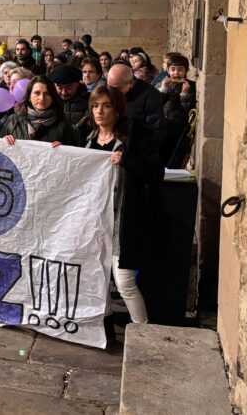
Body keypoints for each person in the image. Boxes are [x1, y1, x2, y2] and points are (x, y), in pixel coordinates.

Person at [82, 86, 162, 326]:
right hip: (95, 218)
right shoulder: (87, 137)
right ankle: (104, 329)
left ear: (117, 110)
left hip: (124, 218)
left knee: (124, 280)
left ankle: (143, 333)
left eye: (106, 106)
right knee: (97, 277)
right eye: (95, 106)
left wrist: (127, 160)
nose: (100, 111)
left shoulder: (135, 136)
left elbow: (155, 173)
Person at [0, 76, 77, 146]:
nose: (42, 98)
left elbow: (74, 154)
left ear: (52, 97)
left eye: (46, 93)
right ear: (29, 96)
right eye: (37, 93)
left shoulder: (63, 124)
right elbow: (0, 153)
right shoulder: (13, 121)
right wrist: (3, 141)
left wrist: (64, 149)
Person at [107, 63, 165, 145]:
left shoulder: (150, 96)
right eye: (109, 87)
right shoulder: (108, 91)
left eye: (117, 89)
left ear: (131, 83)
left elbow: (156, 131)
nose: (111, 92)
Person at [157, 54, 197, 166]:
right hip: (163, 127)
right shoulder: (163, 84)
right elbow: (156, 105)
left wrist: (184, 94)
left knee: (174, 160)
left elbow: (189, 111)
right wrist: (163, 90)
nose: (176, 73)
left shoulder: (191, 86)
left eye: (180, 69)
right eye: (173, 69)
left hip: (179, 129)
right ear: (168, 70)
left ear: (186, 71)